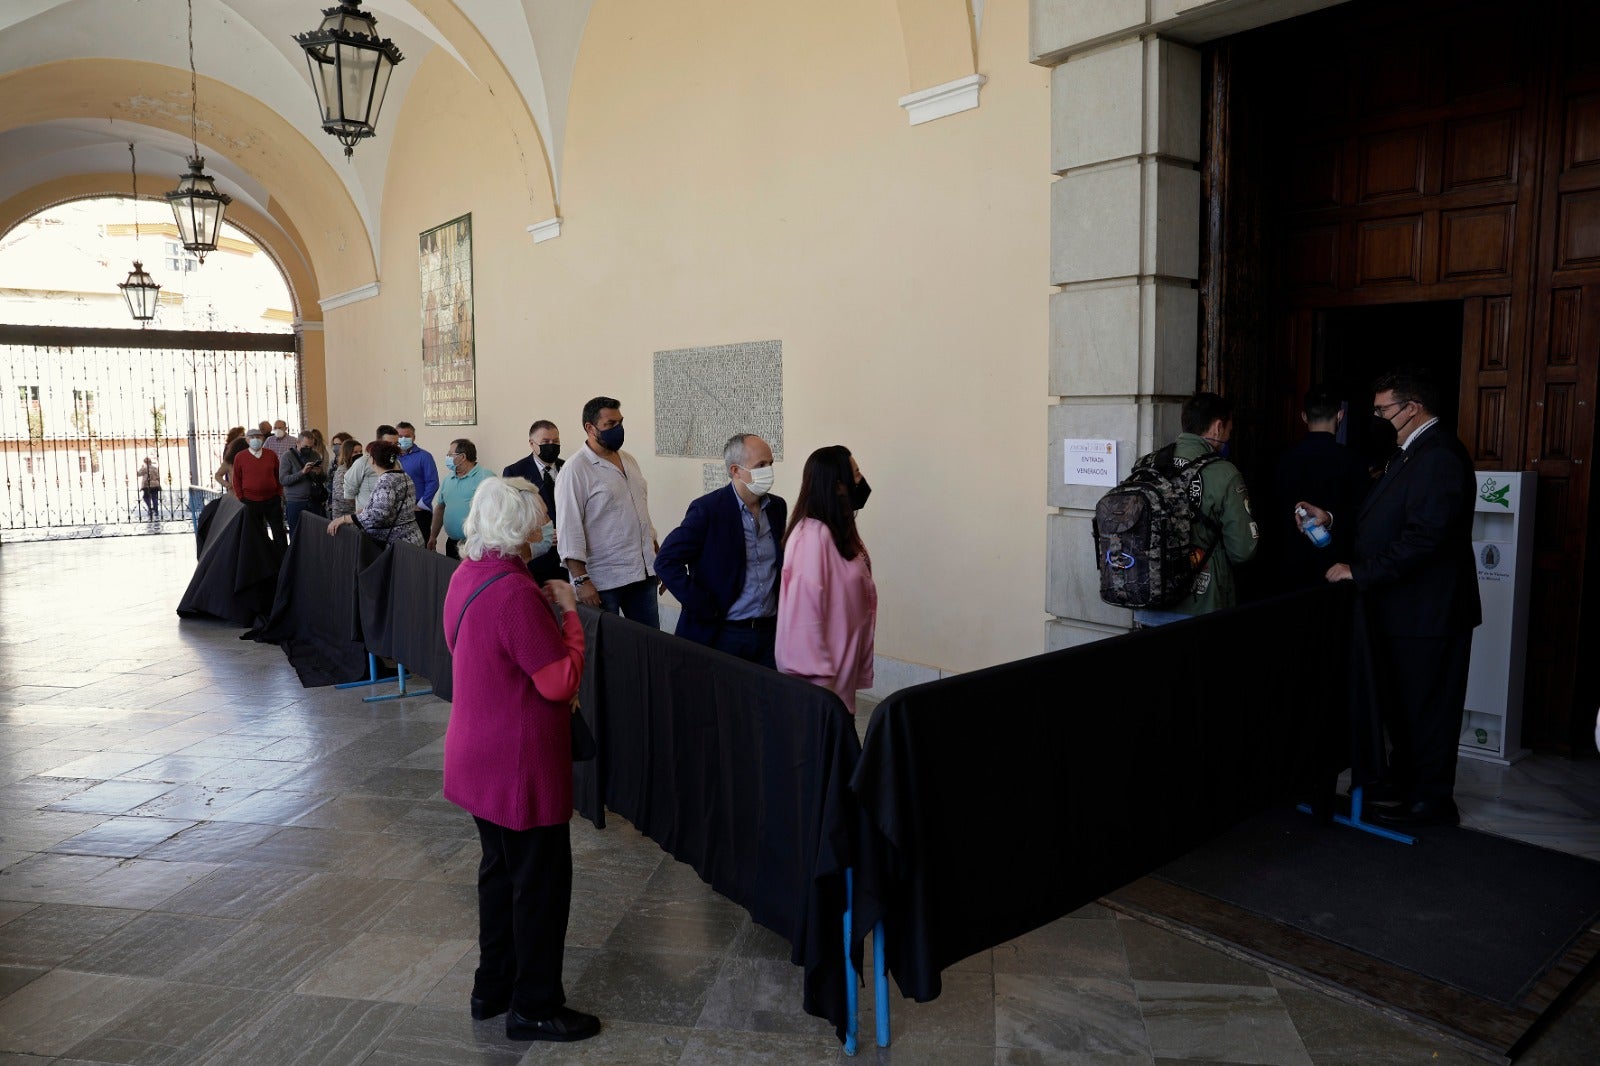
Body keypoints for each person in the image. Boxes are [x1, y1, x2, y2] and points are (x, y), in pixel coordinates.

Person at [442, 476, 600, 1043]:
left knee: (500, 873)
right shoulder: (514, 592)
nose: (545, 527)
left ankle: (494, 986)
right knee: (540, 885)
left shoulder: (466, 574)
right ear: (517, 528)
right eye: (537, 518)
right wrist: (572, 620)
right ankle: (533, 1005)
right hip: (518, 764)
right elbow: (558, 681)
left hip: (475, 753)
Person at [1297, 368, 1480, 828]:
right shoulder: (1410, 451)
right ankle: (1405, 786)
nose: (1377, 417)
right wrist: (1333, 518)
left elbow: (1425, 537)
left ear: (1412, 407)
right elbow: (1384, 514)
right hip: (1405, 610)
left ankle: (1432, 803)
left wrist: (1360, 571)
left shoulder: (1438, 455)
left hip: (1430, 611)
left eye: (1383, 409)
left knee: (1428, 709)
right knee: (1404, 707)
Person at [1132, 392, 1260, 626]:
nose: (1229, 437)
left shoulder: (1146, 464)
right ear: (1218, 427)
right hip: (1202, 607)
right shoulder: (1224, 473)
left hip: (1147, 603)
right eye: (1230, 431)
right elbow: (1242, 551)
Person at [657, 433, 786, 667]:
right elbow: (665, 561)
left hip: (769, 634)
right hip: (724, 633)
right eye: (760, 465)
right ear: (736, 470)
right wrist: (703, 605)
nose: (768, 471)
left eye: (770, 464)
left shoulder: (777, 508)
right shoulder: (708, 510)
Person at [775, 445, 876, 713]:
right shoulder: (811, 537)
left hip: (841, 684)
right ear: (838, 485)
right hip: (822, 692)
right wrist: (824, 692)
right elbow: (804, 616)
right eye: (855, 474)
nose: (861, 480)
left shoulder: (839, 530)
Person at [554, 397, 659, 627]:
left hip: (642, 574)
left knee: (648, 646)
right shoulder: (575, 470)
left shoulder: (629, 461)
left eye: (620, 423)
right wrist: (581, 580)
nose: (618, 429)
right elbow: (568, 529)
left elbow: (641, 512)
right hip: (602, 582)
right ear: (590, 428)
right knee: (608, 651)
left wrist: (655, 557)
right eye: (610, 424)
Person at [1271, 387, 1371, 590]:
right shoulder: (1353, 461)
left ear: (1304, 416)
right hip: (1337, 569)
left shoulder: (1284, 460)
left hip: (1290, 568)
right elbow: (1365, 514)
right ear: (1340, 415)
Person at [325, 440, 424, 546]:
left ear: (372, 460)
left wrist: (344, 519)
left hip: (397, 545)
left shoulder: (386, 481)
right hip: (412, 539)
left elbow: (377, 516)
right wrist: (366, 510)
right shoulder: (404, 476)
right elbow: (391, 508)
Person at [503, 420, 566, 583]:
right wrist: (539, 535)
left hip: (567, 556)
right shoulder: (515, 472)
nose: (551, 446)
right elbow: (511, 516)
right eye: (545, 442)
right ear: (532, 443)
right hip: (537, 559)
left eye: (556, 441)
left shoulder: (568, 468)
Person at [431, 438, 495, 558]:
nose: (447, 457)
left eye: (450, 455)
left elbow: (497, 511)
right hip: (452, 543)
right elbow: (440, 508)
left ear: (462, 457)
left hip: (477, 545)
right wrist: (433, 536)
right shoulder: (448, 479)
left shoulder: (486, 477)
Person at [232, 427, 286, 545]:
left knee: (279, 531)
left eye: (258, 437)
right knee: (256, 533)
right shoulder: (240, 457)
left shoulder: (271, 455)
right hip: (250, 501)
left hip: (272, 500)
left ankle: (283, 559)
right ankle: (262, 560)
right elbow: (236, 479)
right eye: (252, 437)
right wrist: (241, 497)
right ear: (247, 440)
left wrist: (279, 493)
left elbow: (278, 475)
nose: (255, 439)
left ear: (263, 439)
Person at [396, 420, 440, 539]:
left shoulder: (424, 456)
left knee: (419, 550)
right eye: (400, 436)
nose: (403, 439)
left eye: (407, 436)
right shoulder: (392, 457)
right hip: (397, 511)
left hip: (418, 512)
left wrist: (421, 504)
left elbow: (433, 482)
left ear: (413, 437)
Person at [280, 430, 327, 538]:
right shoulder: (287, 457)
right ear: (298, 442)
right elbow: (283, 480)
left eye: (311, 446)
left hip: (313, 499)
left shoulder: (315, 455)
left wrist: (319, 473)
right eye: (305, 446)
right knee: (296, 533)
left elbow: (323, 479)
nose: (308, 449)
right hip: (295, 501)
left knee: (315, 533)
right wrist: (302, 472)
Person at [343, 424, 399, 513]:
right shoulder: (363, 462)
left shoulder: (396, 462)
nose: (393, 447)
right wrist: (364, 507)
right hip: (367, 518)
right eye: (388, 444)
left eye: (396, 444)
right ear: (379, 442)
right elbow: (349, 491)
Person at [329, 438, 361, 521]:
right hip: (342, 517)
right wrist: (359, 501)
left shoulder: (358, 469)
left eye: (361, 452)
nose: (359, 454)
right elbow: (341, 496)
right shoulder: (342, 471)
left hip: (355, 515)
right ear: (348, 454)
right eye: (355, 452)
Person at [138, 456, 160, 520]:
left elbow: (138, 474)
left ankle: (150, 509)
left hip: (147, 485)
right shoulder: (155, 468)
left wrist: (141, 467)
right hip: (155, 485)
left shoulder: (144, 468)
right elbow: (158, 476)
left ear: (145, 462)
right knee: (154, 498)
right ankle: (156, 511)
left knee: (146, 497)